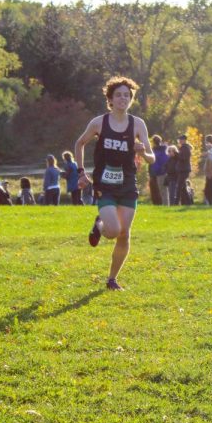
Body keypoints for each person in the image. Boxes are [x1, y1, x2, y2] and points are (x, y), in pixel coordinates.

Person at [74, 75, 155, 291]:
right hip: (105, 184)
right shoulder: (99, 122)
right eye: (118, 95)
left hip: (128, 184)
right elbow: (80, 143)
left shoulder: (138, 124)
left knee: (124, 233)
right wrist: (81, 173)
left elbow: (151, 158)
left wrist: (143, 151)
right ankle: (100, 224)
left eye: (126, 95)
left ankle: (112, 279)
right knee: (112, 230)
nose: (122, 98)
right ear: (110, 99)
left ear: (131, 99)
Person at [148, 135, 169, 205]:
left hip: (157, 172)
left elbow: (153, 162)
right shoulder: (165, 149)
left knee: (159, 190)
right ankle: (164, 204)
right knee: (164, 190)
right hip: (163, 172)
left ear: (153, 142)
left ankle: (163, 204)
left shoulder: (154, 151)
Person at [173, 135, 193, 206]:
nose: (179, 141)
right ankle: (189, 202)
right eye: (179, 139)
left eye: (181, 139)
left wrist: (176, 154)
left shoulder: (184, 148)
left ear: (184, 140)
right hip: (184, 169)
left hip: (184, 170)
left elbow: (183, 158)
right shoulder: (184, 148)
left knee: (179, 187)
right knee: (183, 188)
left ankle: (176, 203)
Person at [202, 135, 212, 205]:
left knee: (209, 189)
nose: (205, 144)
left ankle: (211, 202)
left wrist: (210, 173)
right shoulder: (210, 150)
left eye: (206, 142)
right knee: (208, 189)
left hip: (211, 174)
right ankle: (210, 202)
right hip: (209, 173)